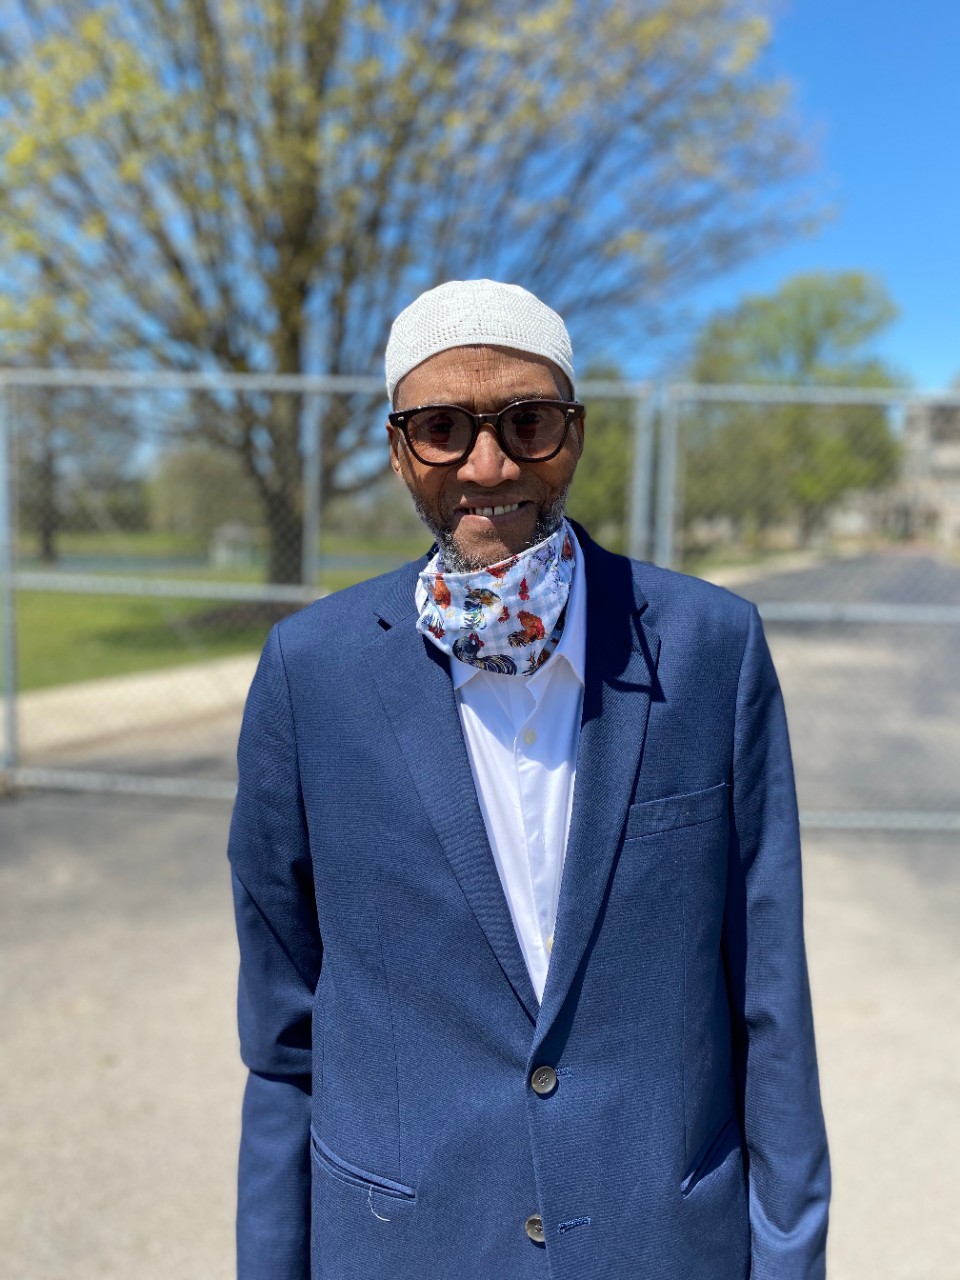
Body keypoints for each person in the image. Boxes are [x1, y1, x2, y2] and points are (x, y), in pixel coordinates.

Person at [228, 279, 830, 1279]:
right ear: (397, 448)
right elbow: (283, 1035)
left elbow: (770, 1002)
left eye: (528, 420)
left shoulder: (712, 648)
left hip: (663, 1244)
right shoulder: (310, 674)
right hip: (406, 1249)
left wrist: (790, 1258)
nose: (489, 462)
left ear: (576, 433)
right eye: (442, 427)